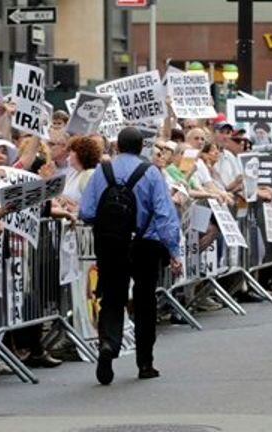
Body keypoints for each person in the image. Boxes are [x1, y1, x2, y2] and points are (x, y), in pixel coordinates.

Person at [79, 127, 181, 385]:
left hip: (111, 243)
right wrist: (173, 250)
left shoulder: (102, 171)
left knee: (112, 296)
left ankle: (108, 345)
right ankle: (145, 362)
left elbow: (87, 211)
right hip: (145, 243)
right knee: (145, 301)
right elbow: (164, 214)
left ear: (118, 146)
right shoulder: (151, 173)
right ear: (141, 147)